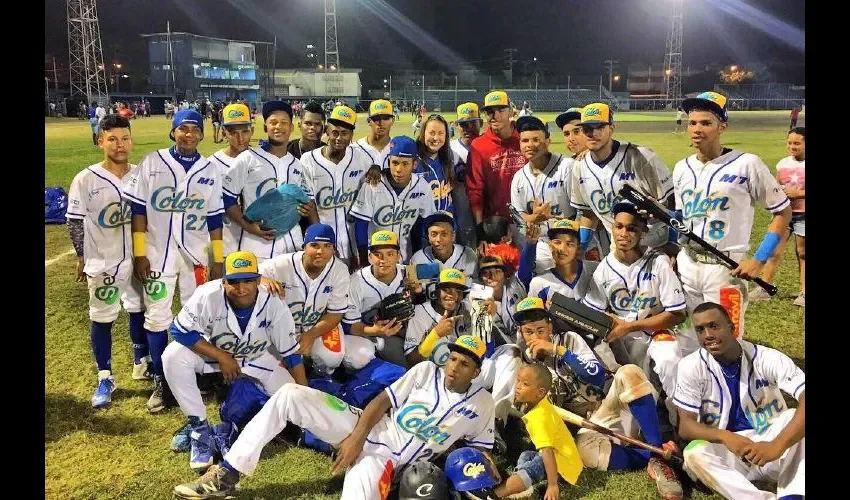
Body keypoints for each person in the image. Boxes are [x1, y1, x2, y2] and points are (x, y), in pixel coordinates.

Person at [172, 335, 496, 500]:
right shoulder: (426, 371)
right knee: (290, 394)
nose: (453, 367)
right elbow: (382, 400)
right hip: (366, 427)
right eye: (452, 358)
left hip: (386, 463)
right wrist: (355, 439)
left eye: (464, 364)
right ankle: (227, 474)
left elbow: (482, 450)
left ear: (476, 372)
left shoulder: (482, 404)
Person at [511, 298, 683, 500]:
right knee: (585, 452)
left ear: (550, 327)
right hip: (590, 427)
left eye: (540, 330)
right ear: (521, 333)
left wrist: (557, 350)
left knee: (628, 372)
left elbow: (596, 375)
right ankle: (652, 456)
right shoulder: (524, 363)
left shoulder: (569, 339)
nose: (535, 337)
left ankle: (657, 451)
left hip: (613, 407)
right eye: (529, 332)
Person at [162, 251, 308, 473]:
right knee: (173, 356)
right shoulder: (207, 295)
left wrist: (306, 394)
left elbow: (291, 354)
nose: (241, 288)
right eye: (234, 282)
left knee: (293, 403)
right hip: (215, 355)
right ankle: (199, 428)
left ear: (258, 281)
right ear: (223, 282)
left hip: (258, 357)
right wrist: (221, 356)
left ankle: (234, 421)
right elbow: (179, 330)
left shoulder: (274, 303)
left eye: (248, 281)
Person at [672, 92, 792, 351]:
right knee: (686, 341)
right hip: (687, 265)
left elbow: (783, 212)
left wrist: (759, 259)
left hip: (725, 269)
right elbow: (682, 218)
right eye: (693, 123)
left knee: (726, 344)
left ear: (722, 126)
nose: (697, 129)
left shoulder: (747, 164)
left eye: (706, 123)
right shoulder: (682, 168)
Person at [124, 109, 225, 413]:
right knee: (157, 317)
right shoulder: (153, 162)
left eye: (195, 129)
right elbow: (138, 211)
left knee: (198, 317)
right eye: (183, 129)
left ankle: (199, 374)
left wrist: (218, 258)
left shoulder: (209, 169)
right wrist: (139, 253)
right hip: (158, 254)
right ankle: (161, 379)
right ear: (173, 132)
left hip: (196, 257)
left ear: (202, 135)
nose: (189, 134)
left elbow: (214, 218)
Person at [675, 302, 805, 500]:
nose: (708, 335)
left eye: (714, 326)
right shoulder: (690, 366)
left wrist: (776, 445)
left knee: (793, 417)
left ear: (731, 327)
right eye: (700, 330)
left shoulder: (767, 358)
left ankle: (792, 496)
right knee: (694, 453)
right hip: (729, 454)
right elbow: (685, 426)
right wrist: (724, 436)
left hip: (771, 444)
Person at [66, 114, 150, 408]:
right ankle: (105, 376)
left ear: (131, 141)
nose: (119, 144)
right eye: (112, 139)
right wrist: (81, 255)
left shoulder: (141, 175)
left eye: (125, 138)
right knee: (102, 317)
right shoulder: (86, 178)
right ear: (100, 141)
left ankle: (141, 362)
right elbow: (74, 220)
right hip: (104, 261)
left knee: (139, 308)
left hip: (138, 259)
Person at [582, 203, 685, 411]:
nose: (623, 234)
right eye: (618, 226)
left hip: (656, 332)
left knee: (669, 358)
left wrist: (629, 326)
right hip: (622, 340)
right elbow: (591, 314)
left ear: (643, 232)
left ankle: (679, 416)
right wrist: (608, 321)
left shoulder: (658, 262)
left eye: (631, 228)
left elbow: (677, 314)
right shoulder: (603, 270)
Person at [569, 103, 675, 259]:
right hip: (618, 247)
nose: (592, 133)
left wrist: (673, 243)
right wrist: (581, 248)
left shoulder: (641, 157)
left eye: (599, 127)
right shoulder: (579, 167)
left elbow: (673, 203)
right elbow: (588, 212)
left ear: (611, 128)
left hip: (658, 245)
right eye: (587, 129)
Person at [258, 223, 351, 377]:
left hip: (316, 325)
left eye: (327, 246)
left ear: (333, 249)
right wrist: (261, 279)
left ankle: (320, 378)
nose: (321, 251)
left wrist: (311, 335)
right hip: (281, 329)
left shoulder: (339, 270)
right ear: (304, 247)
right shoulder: (281, 264)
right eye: (314, 245)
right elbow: (247, 274)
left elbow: (335, 313)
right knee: (276, 369)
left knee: (331, 358)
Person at [222, 101, 311, 261]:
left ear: (291, 127)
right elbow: (227, 197)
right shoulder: (248, 158)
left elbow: (304, 200)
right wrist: (249, 227)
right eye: (273, 122)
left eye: (284, 122)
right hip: (257, 246)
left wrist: (305, 208)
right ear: (265, 127)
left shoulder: (297, 164)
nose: (278, 127)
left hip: (293, 245)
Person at [493, 363, 582, 500]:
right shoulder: (540, 402)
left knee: (536, 465)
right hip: (564, 459)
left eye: (525, 384)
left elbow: (548, 452)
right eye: (518, 380)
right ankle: (523, 485)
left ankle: (495, 495)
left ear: (540, 392)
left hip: (563, 468)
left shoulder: (539, 417)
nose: (518, 386)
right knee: (526, 455)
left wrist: (552, 485)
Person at [300, 105, 373, 266]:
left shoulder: (362, 158)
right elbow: (310, 205)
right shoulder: (308, 160)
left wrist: (377, 169)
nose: (339, 138)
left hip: (355, 243)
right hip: (324, 243)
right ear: (327, 131)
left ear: (351, 135)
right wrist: (324, 241)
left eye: (345, 133)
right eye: (335, 132)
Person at [350, 136, 434, 263]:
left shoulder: (422, 187)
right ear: (389, 162)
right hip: (376, 259)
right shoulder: (373, 184)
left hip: (406, 258)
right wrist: (364, 262)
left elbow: (421, 226)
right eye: (395, 163)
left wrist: (416, 257)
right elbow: (361, 224)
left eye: (405, 163)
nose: (399, 169)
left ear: (414, 164)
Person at [510, 115, 576, 268]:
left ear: (547, 141)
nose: (530, 145)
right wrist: (536, 218)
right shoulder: (519, 178)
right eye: (525, 141)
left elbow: (582, 210)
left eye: (536, 140)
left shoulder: (567, 167)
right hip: (541, 244)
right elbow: (519, 218)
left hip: (572, 239)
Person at [751, 127, 805, 306]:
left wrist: (798, 194)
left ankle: (804, 293)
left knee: (803, 253)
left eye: (797, 143)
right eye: (789, 143)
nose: (792, 146)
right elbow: (776, 185)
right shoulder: (783, 163)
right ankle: (764, 288)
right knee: (773, 251)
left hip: (803, 215)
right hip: (783, 214)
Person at [343, 231, 414, 367]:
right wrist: (375, 331)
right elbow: (347, 326)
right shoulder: (355, 281)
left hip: (406, 331)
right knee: (359, 357)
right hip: (368, 332)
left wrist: (418, 292)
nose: (383, 260)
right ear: (369, 257)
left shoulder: (410, 273)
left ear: (398, 256)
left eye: (390, 254)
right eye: (377, 254)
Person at [467, 90, 524, 225]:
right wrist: (480, 226)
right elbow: (475, 190)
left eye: (501, 110)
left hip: (528, 219)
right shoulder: (479, 145)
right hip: (495, 223)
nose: (495, 116)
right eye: (490, 112)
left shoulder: (525, 139)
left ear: (511, 112)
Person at [555, 107, 604, 262]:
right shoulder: (570, 163)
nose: (571, 138)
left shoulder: (600, 162)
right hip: (580, 237)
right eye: (566, 134)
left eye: (577, 131)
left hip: (601, 237)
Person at [208, 103, 254, 257]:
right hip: (225, 244)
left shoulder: (260, 160)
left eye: (245, 131)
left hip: (257, 244)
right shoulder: (211, 165)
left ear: (252, 131)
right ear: (223, 133)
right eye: (233, 133)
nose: (240, 138)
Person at [409, 211, 478, 284]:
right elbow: (412, 285)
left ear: (453, 236)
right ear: (428, 237)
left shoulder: (467, 255)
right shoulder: (418, 258)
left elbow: (475, 286)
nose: (438, 239)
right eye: (433, 234)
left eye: (444, 234)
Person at [449, 102, 483, 246]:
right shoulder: (449, 149)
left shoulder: (487, 146)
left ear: (481, 123)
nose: (468, 129)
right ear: (456, 126)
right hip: (461, 212)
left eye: (473, 124)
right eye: (463, 125)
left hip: (486, 212)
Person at [415, 114, 456, 214]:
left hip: (446, 220)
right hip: (421, 221)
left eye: (441, 133)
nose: (436, 138)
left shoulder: (448, 156)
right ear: (423, 133)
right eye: (431, 133)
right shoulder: (412, 159)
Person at [355, 100, 395, 169]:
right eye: (376, 118)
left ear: (392, 121)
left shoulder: (399, 147)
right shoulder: (355, 149)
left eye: (386, 118)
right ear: (369, 121)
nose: (381, 123)